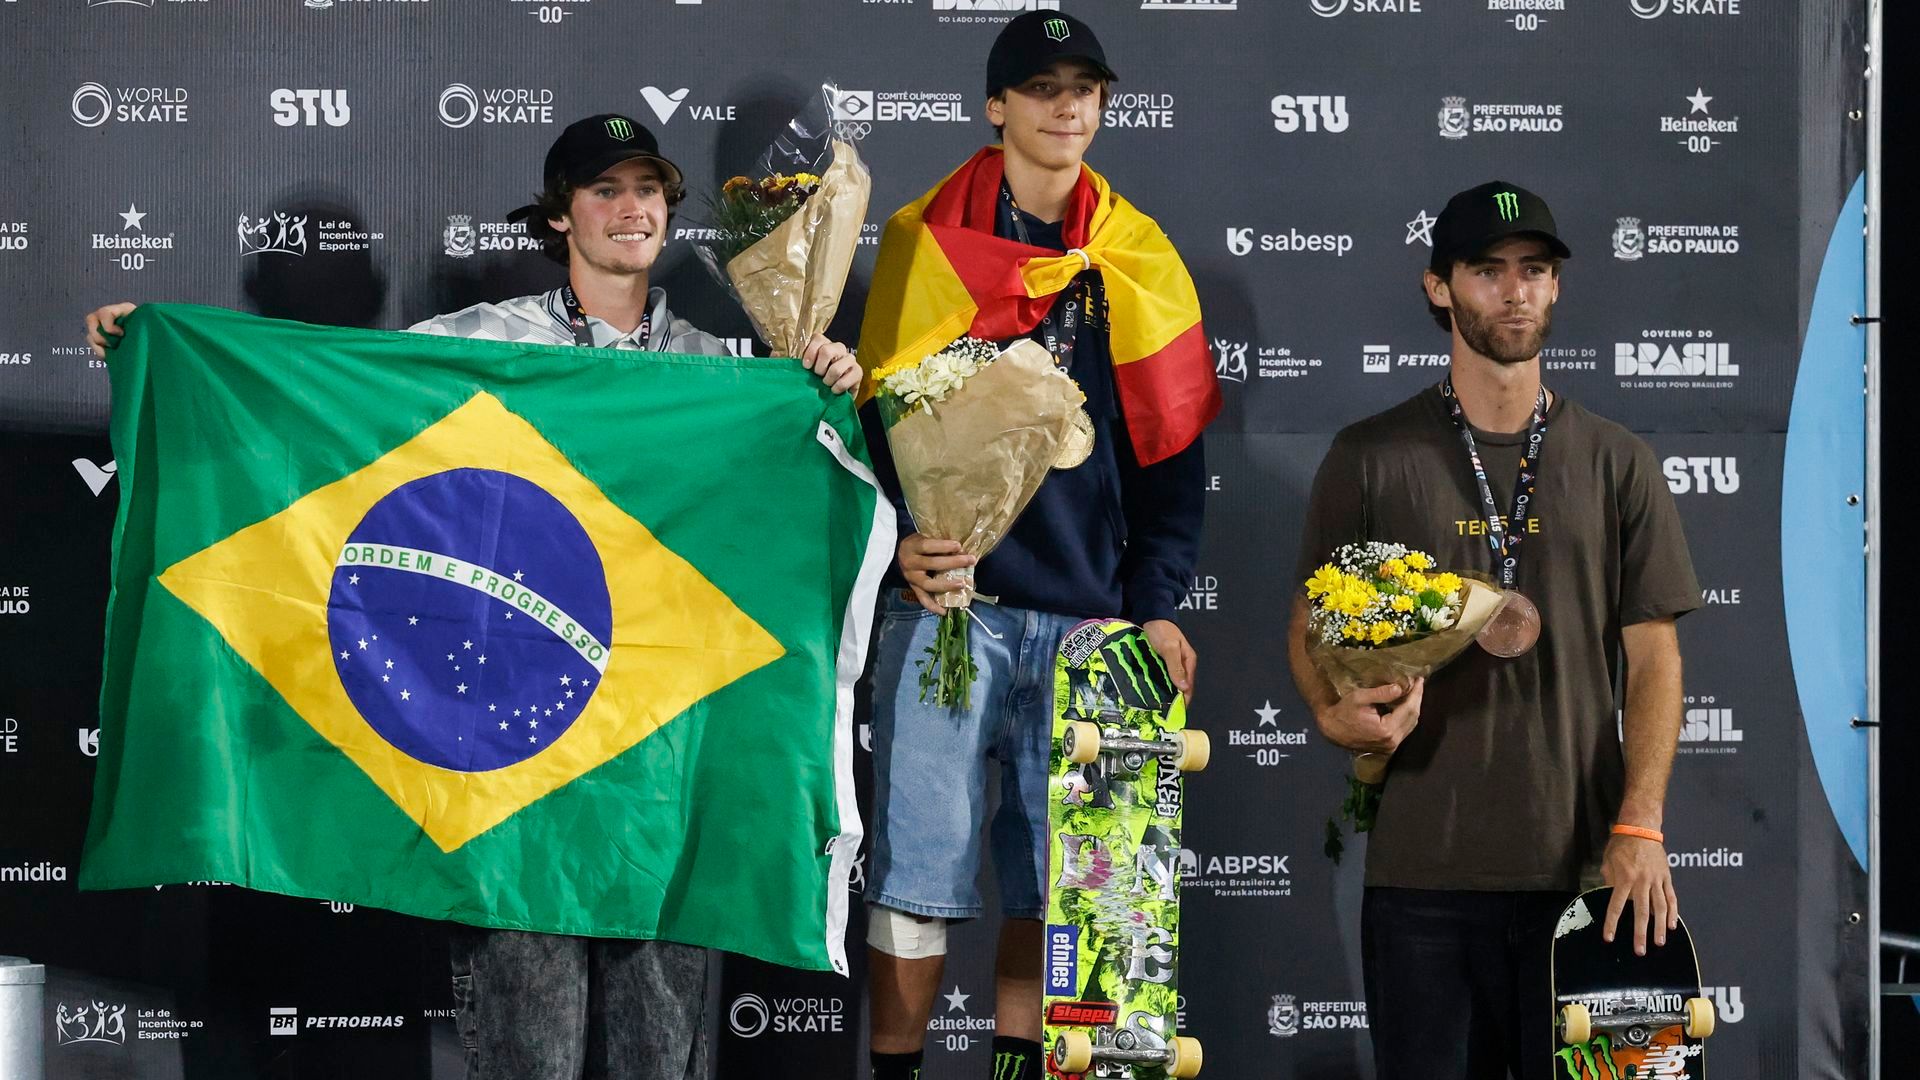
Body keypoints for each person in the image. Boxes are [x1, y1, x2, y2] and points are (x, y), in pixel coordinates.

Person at [86, 111, 862, 1080]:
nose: (632, 211)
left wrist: (819, 393)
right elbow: (341, 405)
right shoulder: (482, 345)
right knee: (525, 1066)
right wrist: (161, 344)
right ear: (558, 218)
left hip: (655, 787)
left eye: (649, 191)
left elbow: (786, 527)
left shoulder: (723, 375)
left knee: (655, 1068)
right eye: (604, 191)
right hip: (514, 794)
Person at [854, 13, 1220, 1080]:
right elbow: (877, 437)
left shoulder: (1138, 259)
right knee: (917, 881)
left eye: (1085, 88)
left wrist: (1155, 603)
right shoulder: (927, 243)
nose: (1067, 107)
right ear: (996, 106)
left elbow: (1171, 455)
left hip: (1091, 623)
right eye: (1043, 87)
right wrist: (901, 549)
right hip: (950, 613)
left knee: (1064, 888)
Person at [1285, 181, 1700, 1080]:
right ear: (1439, 288)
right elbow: (1312, 624)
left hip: (1589, 877)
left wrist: (1641, 825)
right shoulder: (1370, 456)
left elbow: (1655, 661)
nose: (1513, 292)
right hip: (1423, 882)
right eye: (1486, 271)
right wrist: (1332, 711)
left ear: (1556, 289)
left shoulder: (1617, 461)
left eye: (1534, 271)